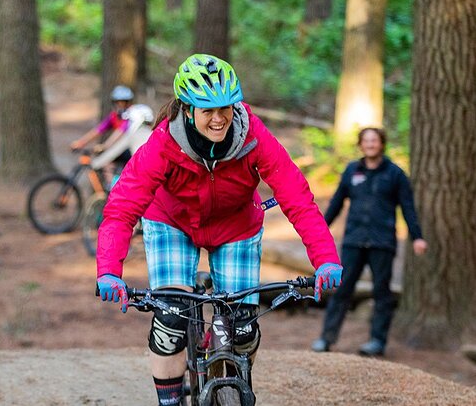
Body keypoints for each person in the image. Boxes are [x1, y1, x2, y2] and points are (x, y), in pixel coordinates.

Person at [95, 54, 343, 406]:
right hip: (172, 223)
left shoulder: (253, 136)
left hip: (236, 226)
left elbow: (298, 200)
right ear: (187, 108)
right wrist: (108, 271)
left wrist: (326, 260)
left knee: (243, 328)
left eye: (225, 107)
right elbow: (121, 209)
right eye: (207, 109)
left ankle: (229, 378)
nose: (218, 118)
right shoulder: (164, 143)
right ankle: (171, 402)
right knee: (170, 322)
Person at [311, 127, 428, 357]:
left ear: (381, 144)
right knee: (342, 289)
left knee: (381, 292)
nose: (371, 144)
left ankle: (377, 341)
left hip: (382, 243)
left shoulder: (395, 174)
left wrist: (417, 237)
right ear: (361, 145)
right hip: (354, 241)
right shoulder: (352, 171)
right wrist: (318, 230)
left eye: (374, 140)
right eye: (366, 141)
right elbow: (336, 203)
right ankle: (326, 338)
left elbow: (408, 208)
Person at [70, 85, 136, 186]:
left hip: (133, 150)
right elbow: (97, 131)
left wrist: (105, 146)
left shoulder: (132, 116)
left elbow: (120, 132)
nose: (120, 106)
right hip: (120, 149)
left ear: (128, 103)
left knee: (106, 160)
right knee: (107, 163)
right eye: (118, 103)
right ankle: (111, 187)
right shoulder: (113, 117)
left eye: (123, 103)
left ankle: (114, 189)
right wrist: (81, 142)